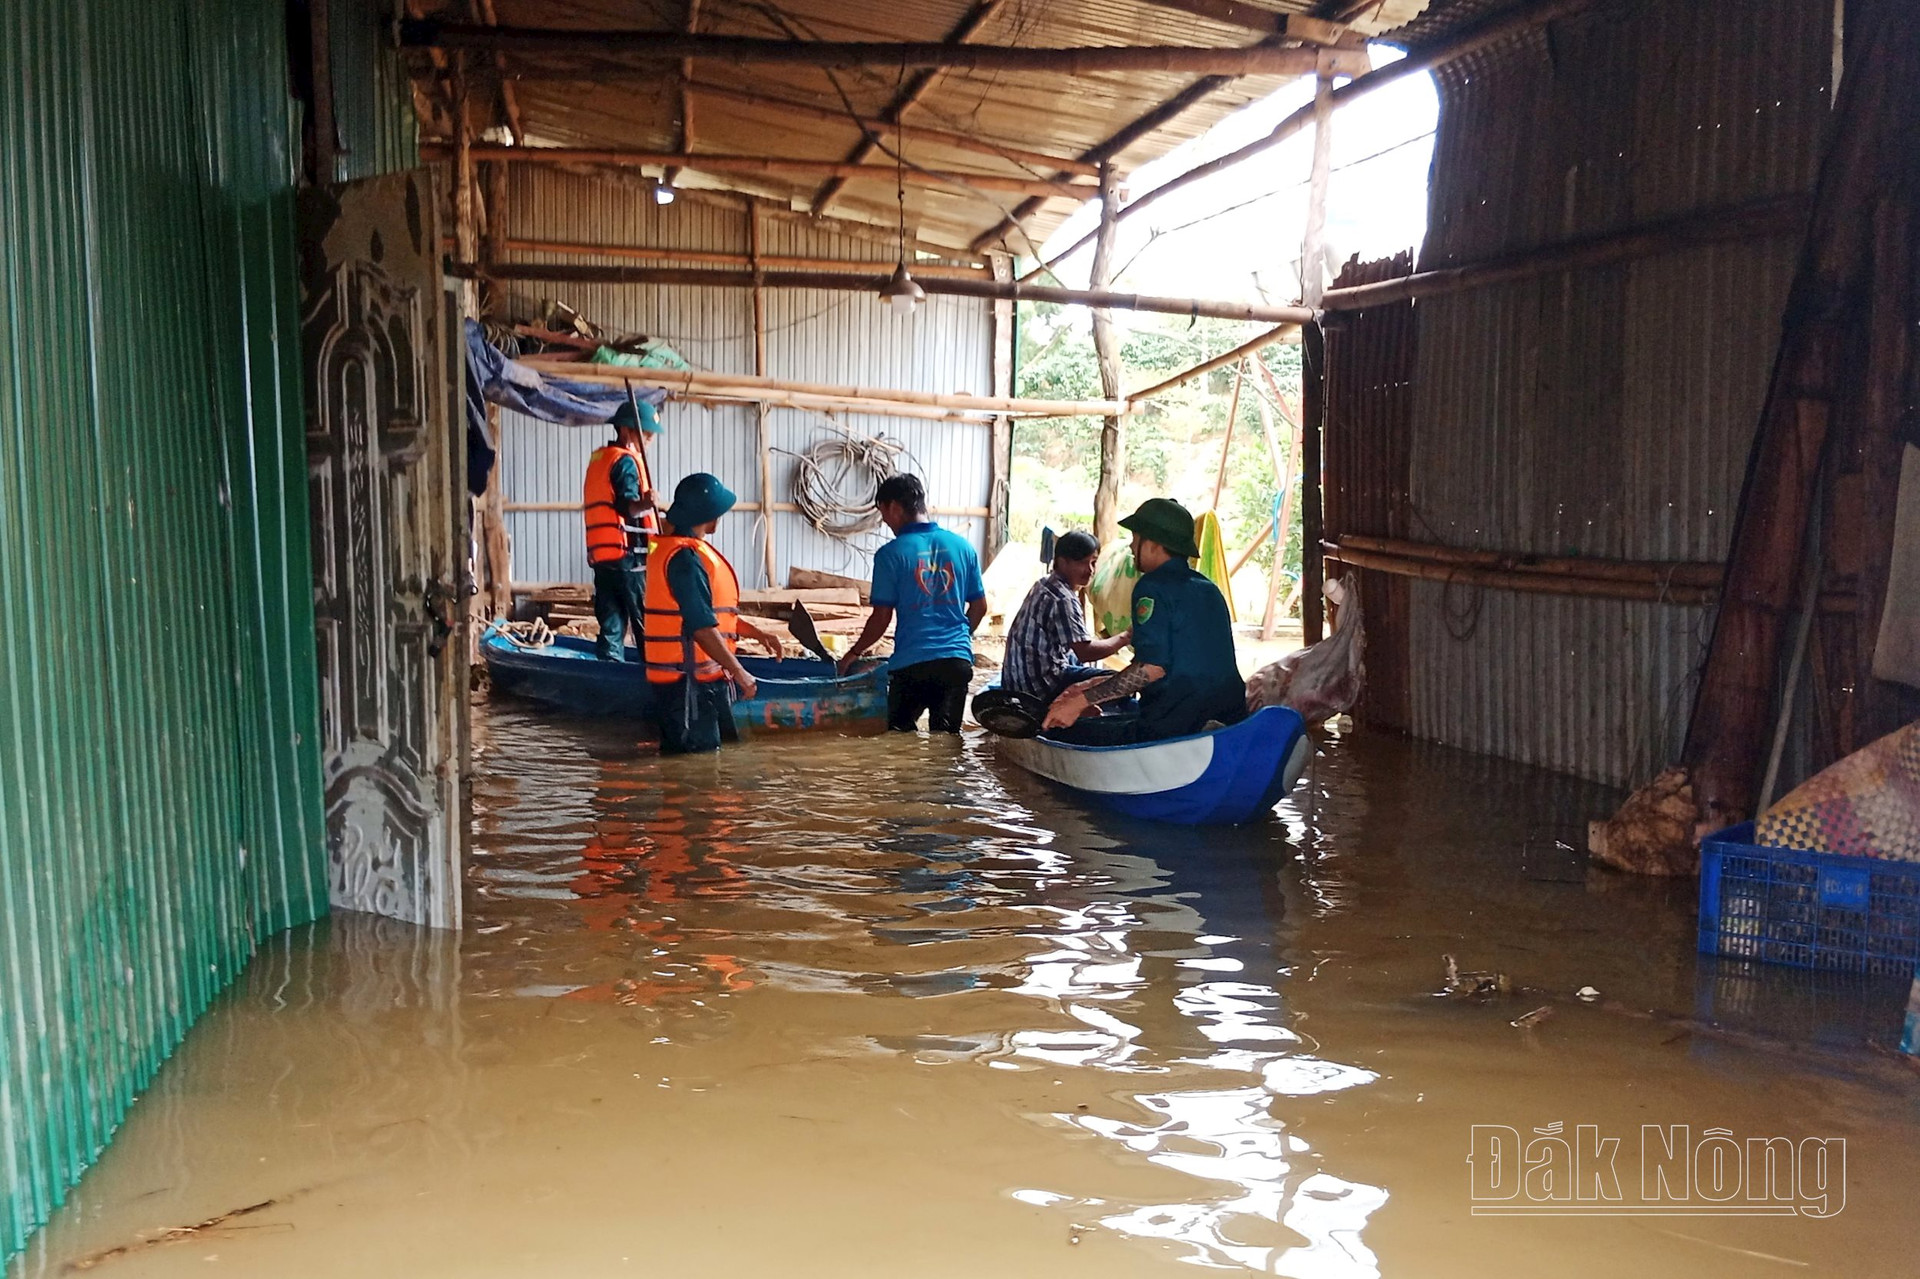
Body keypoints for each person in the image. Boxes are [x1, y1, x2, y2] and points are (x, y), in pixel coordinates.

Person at [1043, 498, 1245, 744]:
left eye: (1135, 539)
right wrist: (1091, 685)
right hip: (1230, 719)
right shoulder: (1209, 589)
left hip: (1175, 725)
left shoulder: (1151, 587)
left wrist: (1080, 702)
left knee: (1061, 729)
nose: (1130, 547)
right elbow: (1175, 665)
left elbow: (1152, 669)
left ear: (1153, 545)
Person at [642, 473, 782, 754]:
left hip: (698, 680)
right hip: (687, 685)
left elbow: (711, 616)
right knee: (695, 766)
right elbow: (702, 628)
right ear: (709, 515)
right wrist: (740, 671)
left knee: (709, 762)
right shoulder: (685, 560)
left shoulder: (685, 552)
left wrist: (758, 634)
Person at [837, 473, 986, 733]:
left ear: (894, 507)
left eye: (883, 512)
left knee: (898, 738)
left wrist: (854, 652)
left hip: (912, 665)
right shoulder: (963, 547)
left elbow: (881, 618)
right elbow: (980, 607)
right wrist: (959, 638)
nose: (884, 521)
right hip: (956, 663)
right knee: (947, 744)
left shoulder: (890, 555)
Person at [1002, 530, 1132, 702]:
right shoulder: (1063, 599)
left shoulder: (1043, 583)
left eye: (1093, 562)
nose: (1090, 570)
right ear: (1062, 562)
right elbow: (1085, 652)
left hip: (1016, 681)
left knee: (1072, 659)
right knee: (1121, 682)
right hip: (1042, 687)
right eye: (1082, 563)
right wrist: (1126, 637)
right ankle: (1072, 714)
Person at [582, 400, 659, 661]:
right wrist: (646, 503)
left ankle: (609, 668)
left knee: (611, 622)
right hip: (629, 557)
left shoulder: (600, 458)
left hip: (603, 557)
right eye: (646, 434)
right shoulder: (625, 462)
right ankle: (656, 675)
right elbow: (628, 507)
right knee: (644, 622)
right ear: (626, 431)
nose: (650, 440)